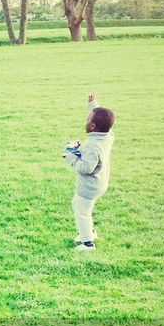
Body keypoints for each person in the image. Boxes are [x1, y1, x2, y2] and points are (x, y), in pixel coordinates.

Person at [63, 93, 115, 252]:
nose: (86, 121)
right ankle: (90, 232)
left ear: (92, 127)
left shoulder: (93, 146)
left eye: (88, 120)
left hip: (89, 186)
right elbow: (101, 116)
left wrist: (70, 156)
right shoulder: (107, 135)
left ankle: (87, 243)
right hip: (99, 183)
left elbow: (86, 168)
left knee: (81, 212)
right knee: (79, 206)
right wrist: (93, 105)